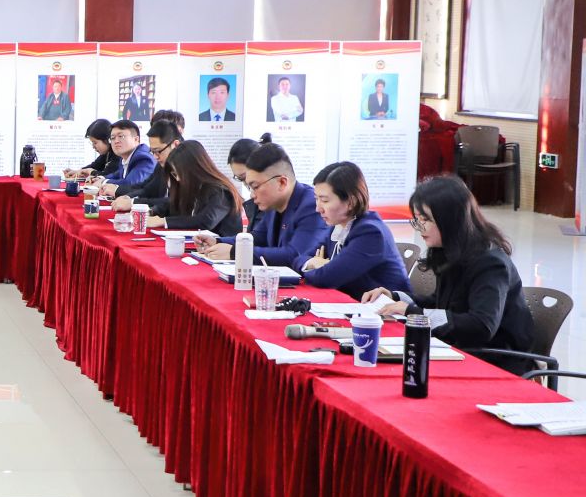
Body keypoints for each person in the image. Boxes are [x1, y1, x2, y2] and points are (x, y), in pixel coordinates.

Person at [363, 176, 536, 374]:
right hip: (462, 349)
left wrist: (413, 313)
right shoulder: (451, 251)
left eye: (426, 220)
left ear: (451, 220)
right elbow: (442, 303)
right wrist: (395, 298)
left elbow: (481, 326)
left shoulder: (490, 263)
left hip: (496, 361)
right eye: (417, 219)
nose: (420, 227)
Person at [195, 141, 327, 270]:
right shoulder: (273, 204)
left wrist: (237, 252)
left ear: (282, 183)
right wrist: (218, 242)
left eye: (256, 187)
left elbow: (295, 255)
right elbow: (258, 237)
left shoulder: (311, 205)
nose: (252, 195)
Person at [300, 161, 410, 299]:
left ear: (351, 202)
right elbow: (299, 258)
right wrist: (312, 263)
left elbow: (326, 278)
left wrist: (324, 267)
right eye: (316, 199)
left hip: (383, 309)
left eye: (325, 201)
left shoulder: (370, 232)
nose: (318, 208)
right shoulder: (337, 227)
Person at [143, 140, 241, 235]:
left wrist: (163, 221)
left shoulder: (221, 191)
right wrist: (151, 212)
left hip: (222, 244)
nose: (177, 179)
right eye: (174, 174)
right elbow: (171, 204)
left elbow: (206, 220)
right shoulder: (195, 187)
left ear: (194, 169)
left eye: (179, 173)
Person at [110, 120, 180, 206]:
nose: (155, 157)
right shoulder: (161, 165)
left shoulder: (188, 167)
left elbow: (175, 202)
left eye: (158, 151)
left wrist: (132, 202)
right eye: (153, 151)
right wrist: (127, 197)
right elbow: (147, 189)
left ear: (175, 145)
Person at [88, 119, 153, 192]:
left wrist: (103, 182)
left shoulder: (144, 158)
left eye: (121, 136)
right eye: (112, 138)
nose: (116, 141)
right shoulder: (125, 157)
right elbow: (117, 174)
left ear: (136, 139)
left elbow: (130, 183)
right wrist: (101, 178)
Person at [226, 137, 262, 233]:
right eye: (240, 179)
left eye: (245, 176)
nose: (246, 183)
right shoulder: (252, 205)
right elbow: (256, 237)